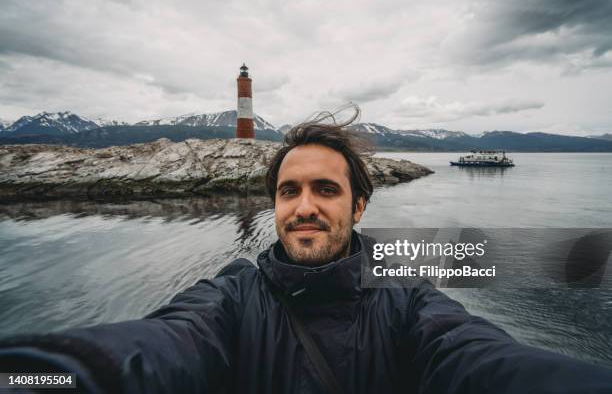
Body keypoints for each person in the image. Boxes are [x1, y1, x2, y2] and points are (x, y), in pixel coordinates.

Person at [1, 112, 612, 393]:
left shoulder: (406, 292)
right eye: (288, 191)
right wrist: (34, 372)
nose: (304, 206)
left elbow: (474, 355)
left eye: (326, 189)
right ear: (274, 206)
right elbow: (160, 347)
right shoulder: (233, 294)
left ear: (360, 207)